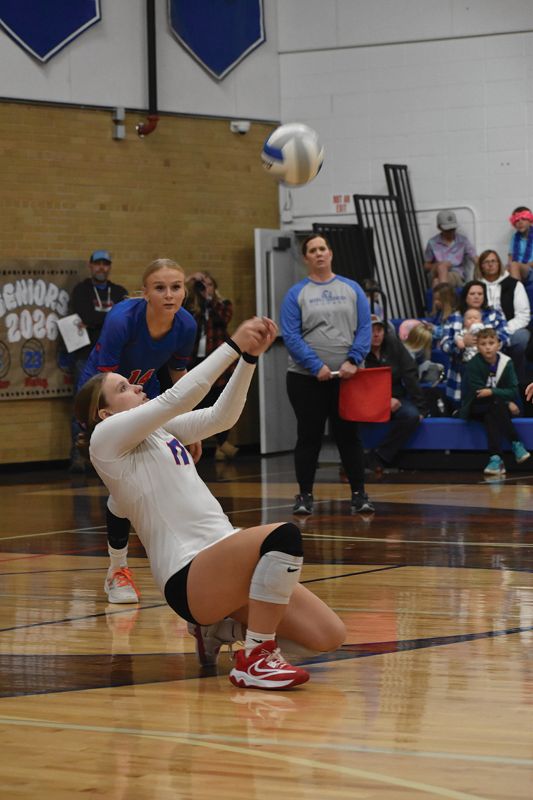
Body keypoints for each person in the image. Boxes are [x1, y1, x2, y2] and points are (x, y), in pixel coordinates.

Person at [74, 316, 346, 690]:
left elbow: (222, 417)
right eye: (123, 387)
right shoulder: (104, 438)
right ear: (103, 413)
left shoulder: (159, 432)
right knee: (282, 537)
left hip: (222, 561)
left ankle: (220, 630)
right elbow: (177, 398)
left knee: (329, 635)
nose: (136, 386)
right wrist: (233, 346)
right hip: (187, 573)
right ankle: (256, 657)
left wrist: (249, 359)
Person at [77, 258, 198, 604]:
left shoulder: (186, 325)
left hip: (145, 391)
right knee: (125, 487)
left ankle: (184, 564)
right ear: (144, 292)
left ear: (184, 291)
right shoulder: (121, 320)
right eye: (160, 288)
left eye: (176, 287)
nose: (169, 294)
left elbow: (179, 377)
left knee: (163, 477)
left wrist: (191, 426)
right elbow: (108, 384)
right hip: (107, 395)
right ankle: (118, 570)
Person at [280, 234, 374, 516]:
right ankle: (304, 496)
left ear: (330, 253)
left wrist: (354, 360)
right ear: (306, 258)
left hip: (347, 377)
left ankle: (359, 494)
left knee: (349, 437)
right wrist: (315, 366)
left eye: (323, 248)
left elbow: (365, 328)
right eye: (313, 250)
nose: (319, 253)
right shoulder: (296, 293)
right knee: (308, 437)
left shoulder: (352, 288)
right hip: (305, 379)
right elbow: (291, 335)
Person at [68, 250, 128, 472]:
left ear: (109, 266)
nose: (101, 267)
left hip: (114, 356)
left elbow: (124, 320)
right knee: (83, 404)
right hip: (86, 356)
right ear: (91, 265)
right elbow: (86, 315)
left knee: (116, 404)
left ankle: (113, 455)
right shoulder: (82, 290)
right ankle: (79, 455)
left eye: (105, 263)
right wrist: (109, 318)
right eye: (98, 263)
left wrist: (95, 321)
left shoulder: (119, 291)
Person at [459, 328, 530, 476]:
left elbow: (513, 390)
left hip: (494, 408)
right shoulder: (473, 364)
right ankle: (516, 443)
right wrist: (506, 402)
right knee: (494, 404)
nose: (488, 347)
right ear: (477, 346)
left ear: (498, 344)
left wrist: (492, 392)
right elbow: (479, 393)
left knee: (491, 415)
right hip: (475, 406)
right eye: (483, 344)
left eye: (491, 343)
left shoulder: (506, 362)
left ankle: (495, 458)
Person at [184, 270, 238, 461]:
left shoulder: (222, 304)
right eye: (202, 285)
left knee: (220, 401)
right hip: (194, 361)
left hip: (218, 361)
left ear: (215, 287)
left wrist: (209, 299)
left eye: (209, 284)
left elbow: (223, 319)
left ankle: (221, 443)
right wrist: (188, 282)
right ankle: (195, 441)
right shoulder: (192, 305)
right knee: (197, 401)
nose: (205, 288)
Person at [364, 314, 428, 474]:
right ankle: (351, 460)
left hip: (396, 397)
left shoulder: (393, 344)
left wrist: (421, 407)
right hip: (366, 400)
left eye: (379, 330)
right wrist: (382, 400)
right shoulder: (358, 350)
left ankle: (379, 456)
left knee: (412, 416)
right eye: (371, 331)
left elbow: (409, 372)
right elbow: (360, 384)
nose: (376, 334)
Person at [441, 280, 510, 408]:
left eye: (480, 294)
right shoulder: (454, 317)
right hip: (462, 366)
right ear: (465, 297)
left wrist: (488, 343)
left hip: (491, 363)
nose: (477, 296)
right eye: (472, 294)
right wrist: (461, 343)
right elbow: (444, 345)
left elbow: (506, 338)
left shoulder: (494, 314)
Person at [476, 249, 530, 384]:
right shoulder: (476, 287)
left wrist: (502, 330)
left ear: (499, 264)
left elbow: (523, 316)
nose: (490, 264)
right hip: (482, 330)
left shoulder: (514, 284)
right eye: (486, 262)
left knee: (522, 337)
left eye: (493, 261)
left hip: (509, 329)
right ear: (481, 266)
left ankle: (516, 381)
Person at [423, 210, 477, 287]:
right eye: (447, 230)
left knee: (436, 282)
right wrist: (438, 265)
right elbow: (426, 266)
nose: (451, 232)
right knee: (442, 267)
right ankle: (444, 290)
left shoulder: (462, 240)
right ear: (439, 227)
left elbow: (475, 258)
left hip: (455, 274)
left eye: (453, 229)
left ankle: (443, 292)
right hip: (436, 271)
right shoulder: (432, 242)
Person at [507, 206, 533, 284]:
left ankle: (517, 290)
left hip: (530, 269)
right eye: (517, 220)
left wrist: (520, 265)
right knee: (502, 270)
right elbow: (510, 258)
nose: (520, 222)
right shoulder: (514, 238)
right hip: (518, 269)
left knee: (514, 265)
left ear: (530, 221)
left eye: (524, 219)